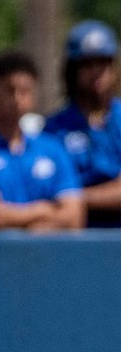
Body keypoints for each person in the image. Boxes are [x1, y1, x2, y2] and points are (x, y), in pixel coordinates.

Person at [0, 51, 83, 232]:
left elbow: (74, 217)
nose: (17, 99)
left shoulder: (52, 148)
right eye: (10, 90)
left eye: (25, 91)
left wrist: (13, 218)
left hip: (47, 257)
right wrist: (43, 209)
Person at [43, 20, 121, 229]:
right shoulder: (53, 129)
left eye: (103, 62)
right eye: (87, 64)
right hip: (76, 242)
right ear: (71, 70)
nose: (97, 71)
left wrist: (74, 198)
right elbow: (46, 190)